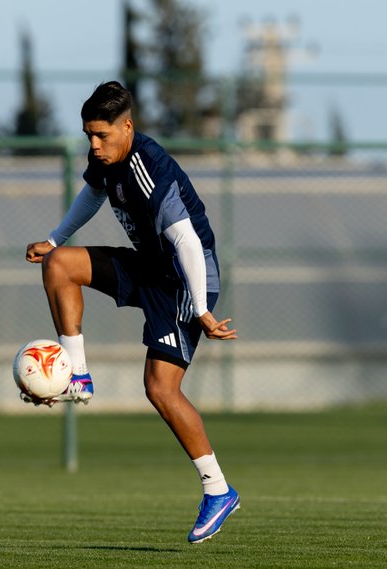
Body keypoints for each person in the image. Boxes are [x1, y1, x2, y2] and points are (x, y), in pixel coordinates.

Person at [24, 81, 239, 544]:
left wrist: (200, 309)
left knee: (160, 390)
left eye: (102, 136)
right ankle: (76, 378)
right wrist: (56, 238)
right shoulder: (106, 160)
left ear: (128, 127)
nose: (94, 146)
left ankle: (218, 490)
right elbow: (93, 194)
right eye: (88, 136)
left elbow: (186, 242)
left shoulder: (147, 167)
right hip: (148, 267)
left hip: (184, 281)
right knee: (59, 265)